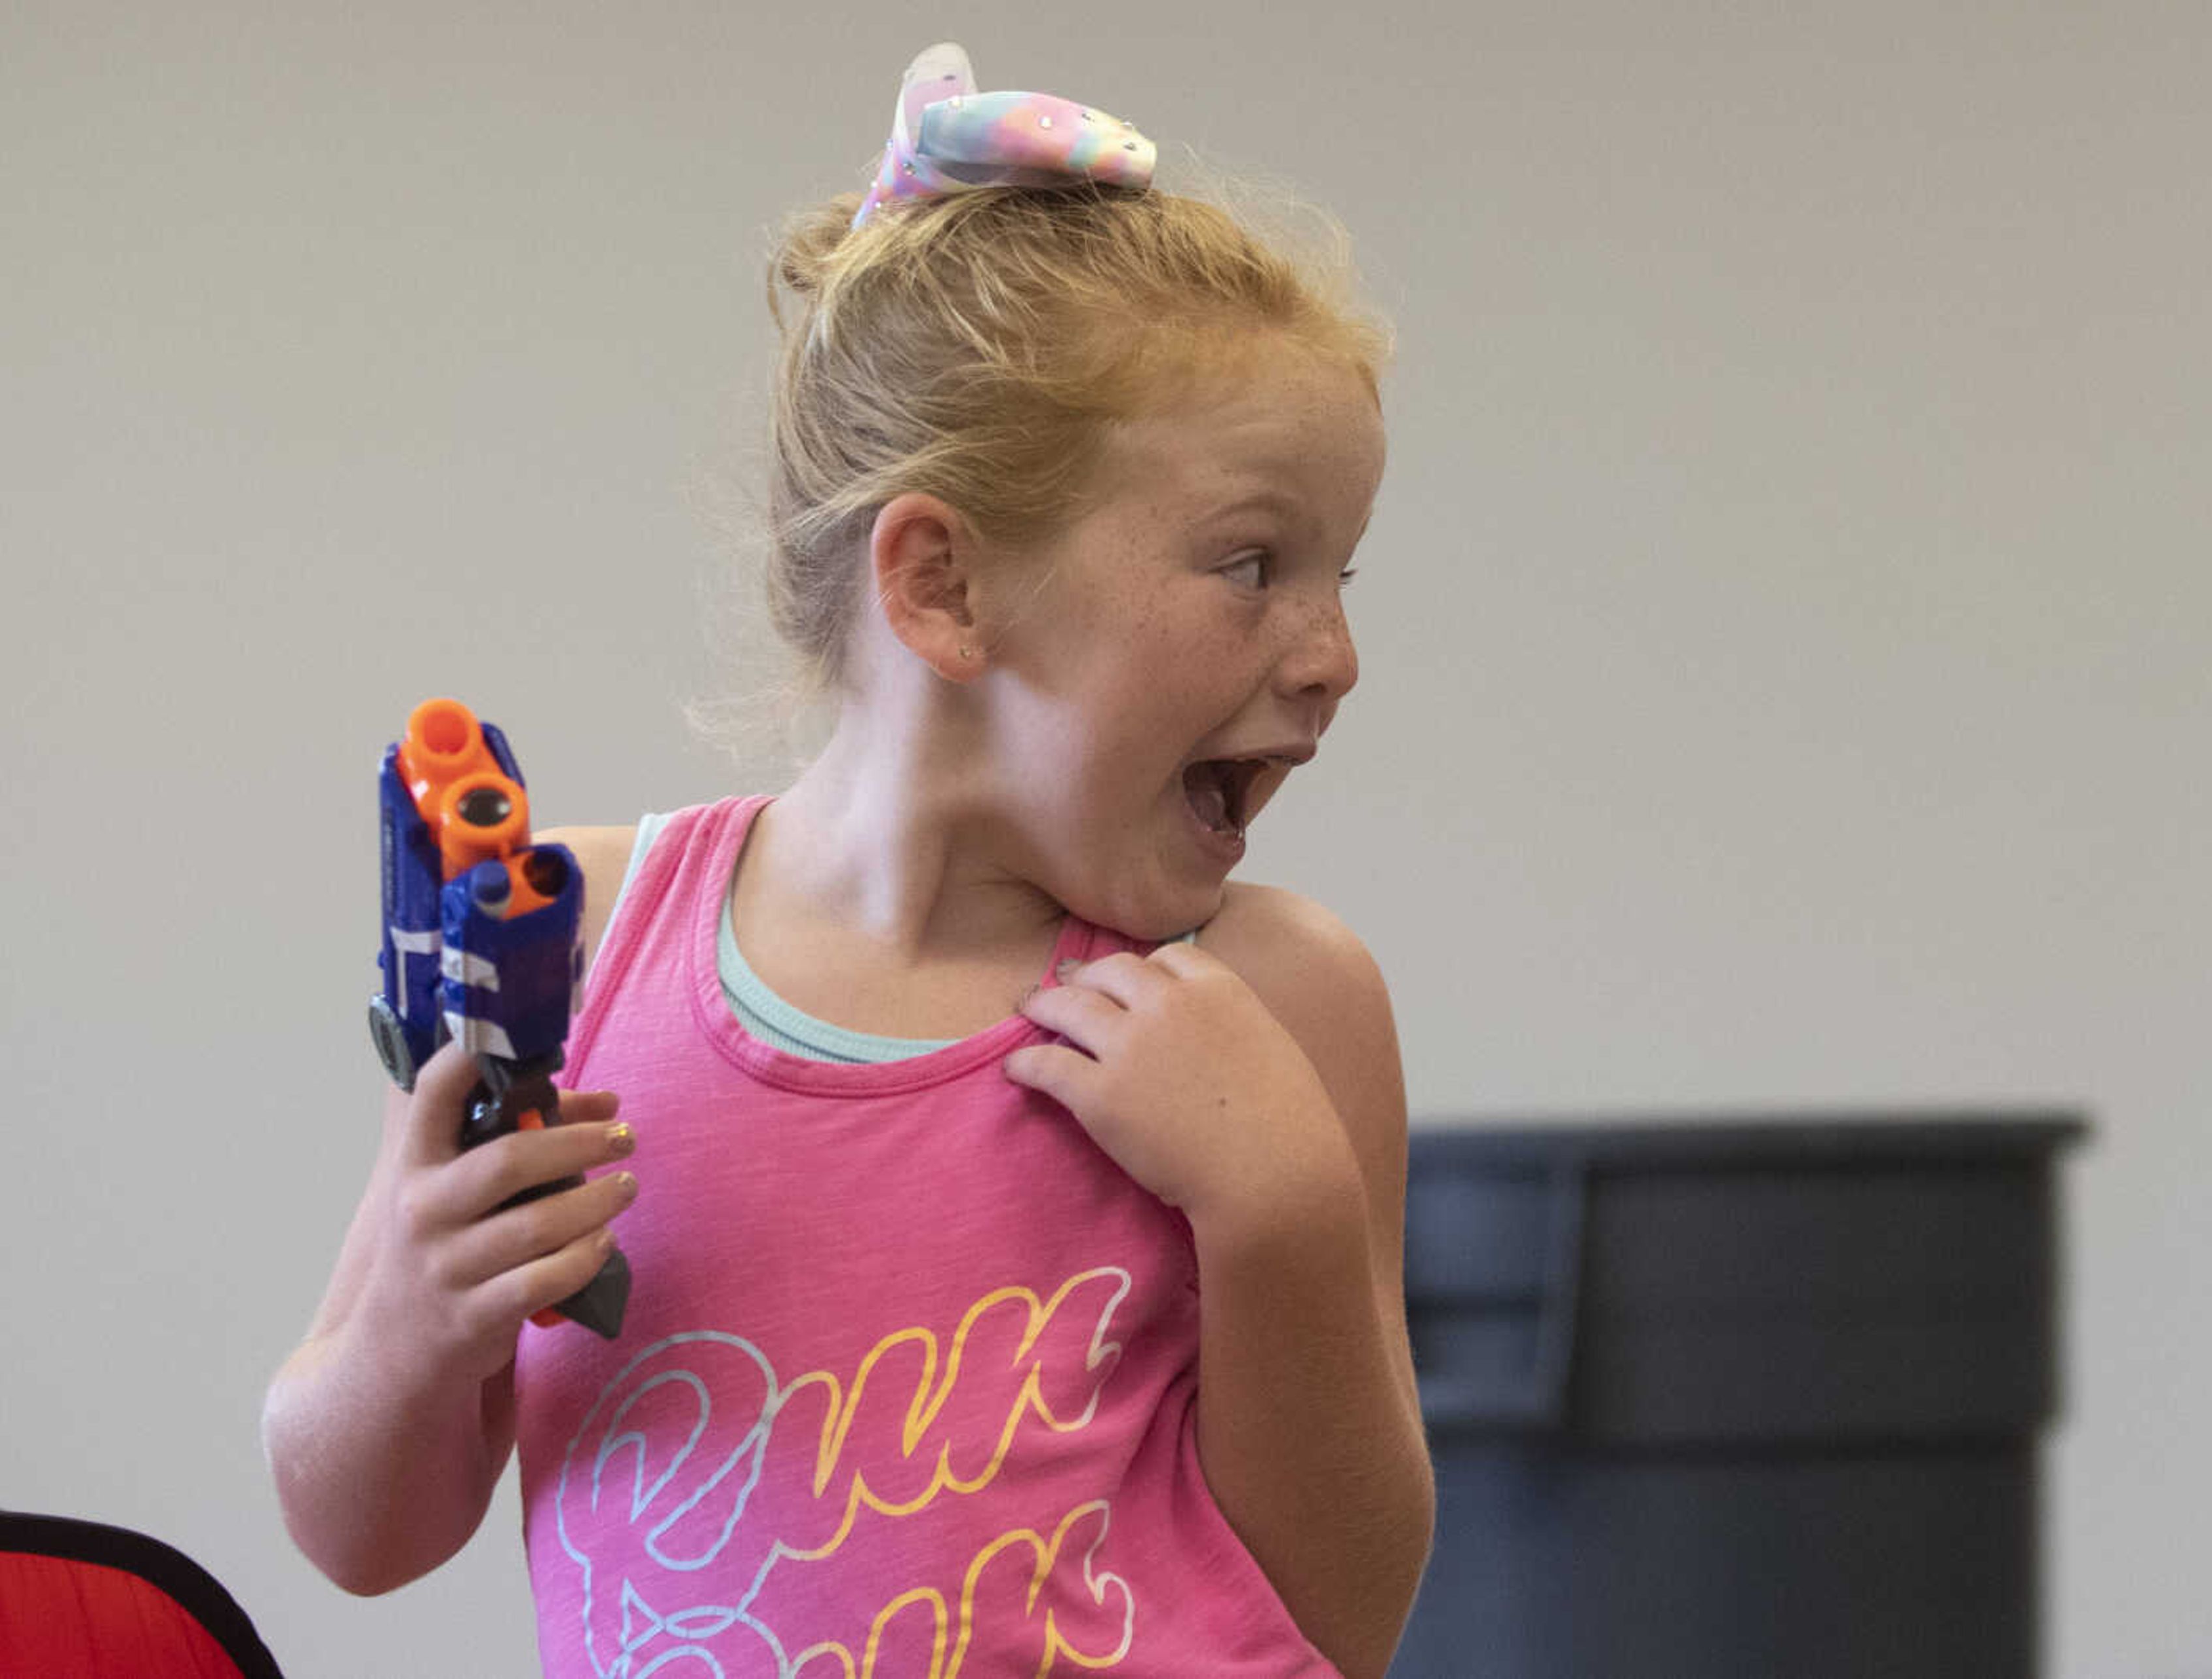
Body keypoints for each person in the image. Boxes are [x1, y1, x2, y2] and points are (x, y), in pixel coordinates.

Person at [262, 42, 1434, 1679]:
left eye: (1342, 578)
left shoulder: (1276, 1003)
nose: (1331, 657)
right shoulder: (563, 942)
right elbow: (357, 1537)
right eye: (1255, 565)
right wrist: (414, 1313)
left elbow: (1348, 1614)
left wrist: (1285, 1213)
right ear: (945, 588)